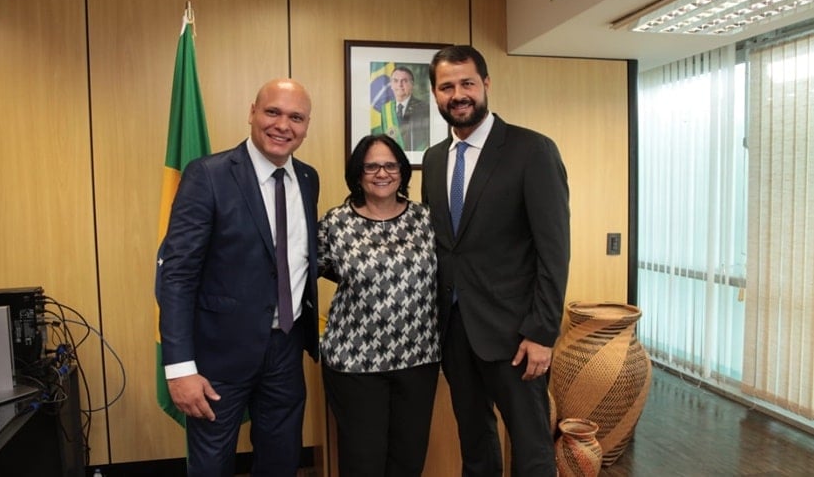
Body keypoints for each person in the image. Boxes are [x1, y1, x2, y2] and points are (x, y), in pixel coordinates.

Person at [155, 78, 320, 477]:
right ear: (252, 113)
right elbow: (176, 275)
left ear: (306, 125)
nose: (283, 125)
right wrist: (179, 368)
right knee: (211, 464)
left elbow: (296, 258)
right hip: (218, 356)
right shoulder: (207, 175)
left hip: (285, 347)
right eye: (273, 112)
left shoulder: (309, 178)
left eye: (296, 117)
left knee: (282, 459)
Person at [421, 45, 570, 476]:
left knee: (532, 448)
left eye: (467, 83)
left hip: (516, 337)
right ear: (435, 94)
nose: (458, 94)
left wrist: (542, 333)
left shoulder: (531, 150)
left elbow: (554, 250)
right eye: (447, 86)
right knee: (475, 444)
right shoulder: (433, 160)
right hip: (454, 332)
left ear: (485, 84)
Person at [318, 133, 440, 477]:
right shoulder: (336, 223)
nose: (381, 173)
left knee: (408, 459)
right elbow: (307, 275)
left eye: (390, 165)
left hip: (418, 359)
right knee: (363, 462)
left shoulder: (426, 220)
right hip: (355, 364)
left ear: (402, 172)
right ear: (358, 173)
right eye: (371, 166)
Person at [390, 66, 431, 152]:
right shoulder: (385, 110)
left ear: (412, 85)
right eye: (395, 81)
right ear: (391, 85)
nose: (399, 85)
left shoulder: (425, 109)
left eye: (404, 81)